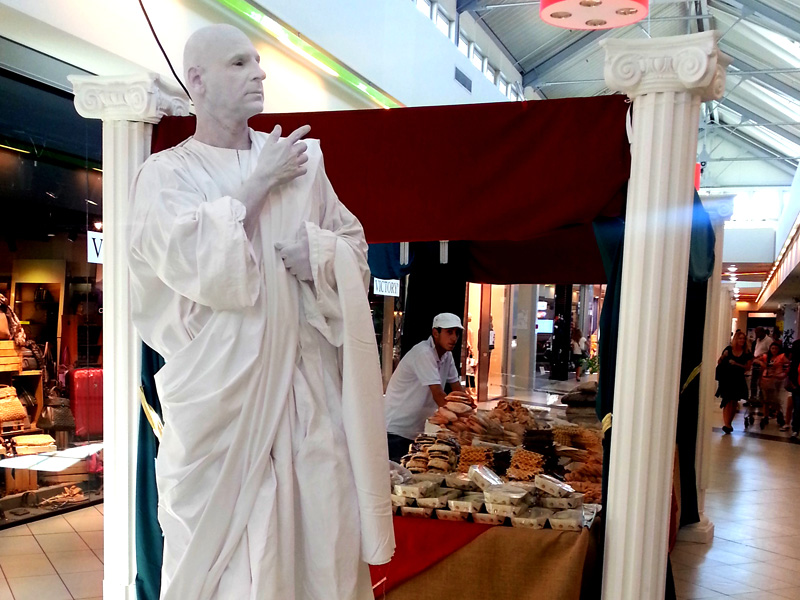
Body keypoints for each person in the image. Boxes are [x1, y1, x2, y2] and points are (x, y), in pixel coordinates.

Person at [127, 24, 393, 600]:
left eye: (256, 62)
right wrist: (260, 180)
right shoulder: (166, 175)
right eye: (239, 63)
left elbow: (354, 249)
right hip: (220, 412)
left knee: (319, 551)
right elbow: (186, 263)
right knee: (226, 576)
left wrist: (320, 255)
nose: (259, 73)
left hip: (306, 404)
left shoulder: (304, 165)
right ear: (197, 80)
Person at [384, 313, 468, 462]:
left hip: (418, 431)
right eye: (449, 332)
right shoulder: (423, 353)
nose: (454, 338)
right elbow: (438, 394)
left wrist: (469, 415)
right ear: (435, 333)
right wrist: (463, 422)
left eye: (457, 333)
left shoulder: (447, 356)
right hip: (398, 431)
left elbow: (457, 391)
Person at [716, 331, 753, 434]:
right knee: (727, 400)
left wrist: (736, 364)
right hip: (727, 378)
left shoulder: (747, 353)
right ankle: (726, 424)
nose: (742, 340)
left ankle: (729, 423)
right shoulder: (728, 349)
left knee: (734, 401)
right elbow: (719, 362)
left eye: (743, 338)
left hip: (738, 379)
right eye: (740, 338)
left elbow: (747, 367)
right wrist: (723, 356)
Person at [757, 341, 788, 429]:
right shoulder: (766, 357)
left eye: (776, 348)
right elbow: (755, 359)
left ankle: (778, 413)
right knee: (765, 399)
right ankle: (765, 415)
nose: (774, 350)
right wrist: (761, 363)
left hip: (776, 380)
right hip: (765, 379)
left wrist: (783, 373)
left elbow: (788, 364)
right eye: (772, 348)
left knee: (775, 399)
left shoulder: (781, 357)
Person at [750, 326, 773, 401]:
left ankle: (761, 398)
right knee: (753, 381)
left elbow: (770, 352)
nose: (756, 334)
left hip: (762, 362)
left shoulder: (768, 340)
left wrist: (762, 356)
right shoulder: (758, 340)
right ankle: (753, 397)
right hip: (756, 361)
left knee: (761, 381)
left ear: (762, 332)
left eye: (758, 332)